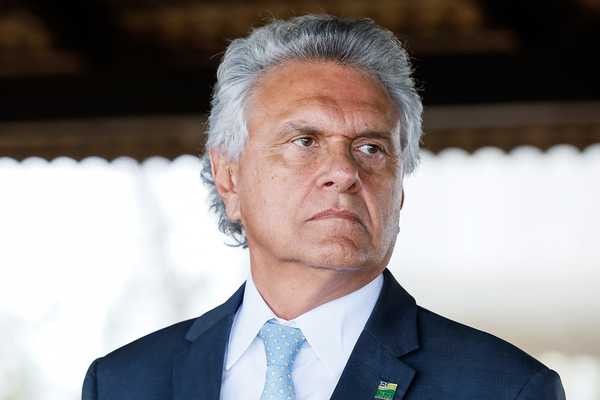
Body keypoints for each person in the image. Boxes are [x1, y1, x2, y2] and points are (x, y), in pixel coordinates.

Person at [82, 14, 566, 400]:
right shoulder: (124, 383)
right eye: (305, 141)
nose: (344, 171)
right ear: (229, 177)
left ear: (399, 189)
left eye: (371, 148)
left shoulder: (503, 387)